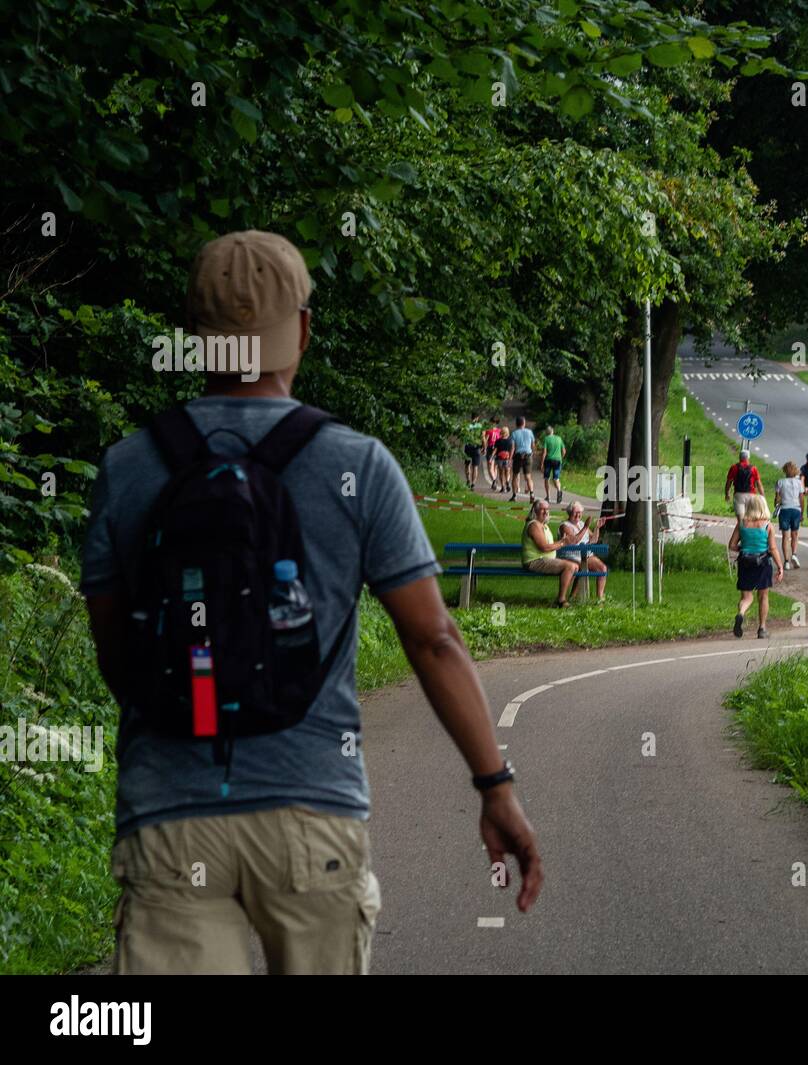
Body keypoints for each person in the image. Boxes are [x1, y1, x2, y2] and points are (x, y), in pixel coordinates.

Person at [80, 230, 541, 974]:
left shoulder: (129, 467)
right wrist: (495, 785)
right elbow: (434, 640)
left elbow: (118, 659)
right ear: (301, 329)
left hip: (168, 819)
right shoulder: (354, 463)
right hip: (311, 813)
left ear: (195, 338)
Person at [728, 493, 783, 639]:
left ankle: (741, 613)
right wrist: (780, 566)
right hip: (763, 563)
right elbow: (772, 548)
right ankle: (762, 628)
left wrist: (744, 548)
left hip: (745, 562)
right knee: (763, 596)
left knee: (746, 597)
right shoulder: (767, 526)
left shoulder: (742, 524)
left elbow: (732, 545)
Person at [521, 498, 582, 607]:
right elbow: (544, 547)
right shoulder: (534, 525)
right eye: (542, 509)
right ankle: (561, 600)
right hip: (534, 561)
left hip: (544, 559)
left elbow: (551, 544)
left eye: (547, 509)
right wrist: (562, 543)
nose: (546, 512)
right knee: (570, 567)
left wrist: (561, 542)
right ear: (535, 511)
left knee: (576, 566)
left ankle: (566, 597)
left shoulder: (543, 525)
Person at [558, 500, 608, 602]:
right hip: (571, 555)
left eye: (580, 512)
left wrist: (597, 528)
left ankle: (600, 598)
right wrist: (585, 527)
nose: (578, 515)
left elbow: (593, 540)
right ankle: (569, 597)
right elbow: (573, 540)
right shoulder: (565, 525)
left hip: (585, 555)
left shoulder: (581, 524)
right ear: (569, 512)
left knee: (602, 568)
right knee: (582, 568)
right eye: (575, 512)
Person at [774, 461, 804, 569]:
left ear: (785, 470)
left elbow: (777, 498)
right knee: (795, 534)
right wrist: (802, 512)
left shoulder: (780, 482)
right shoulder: (799, 483)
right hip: (796, 510)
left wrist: (776, 506)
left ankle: (786, 561)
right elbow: (801, 498)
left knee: (785, 536)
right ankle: (794, 554)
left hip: (785, 510)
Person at [724, 449, 763, 520]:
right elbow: (759, 484)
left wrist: (727, 494)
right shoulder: (753, 468)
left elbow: (728, 482)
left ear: (739, 457)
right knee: (750, 518)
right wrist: (762, 496)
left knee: (740, 520)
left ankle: (741, 529)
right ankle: (748, 530)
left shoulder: (734, 467)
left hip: (738, 495)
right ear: (748, 457)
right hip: (751, 495)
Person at [509, 415, 536, 502]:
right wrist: (532, 453)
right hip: (528, 454)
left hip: (518, 455)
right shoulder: (530, 432)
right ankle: (532, 494)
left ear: (516, 424)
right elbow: (533, 445)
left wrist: (510, 459)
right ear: (524, 423)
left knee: (515, 475)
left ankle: (514, 495)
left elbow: (513, 447)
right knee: (528, 476)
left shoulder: (514, 433)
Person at [540, 425, 566, 504]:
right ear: (553, 431)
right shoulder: (559, 438)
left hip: (548, 460)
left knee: (546, 478)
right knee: (556, 478)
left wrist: (541, 463)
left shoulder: (546, 439)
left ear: (546, 433)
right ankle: (559, 491)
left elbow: (544, 452)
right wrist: (560, 457)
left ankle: (548, 497)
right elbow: (564, 451)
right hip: (558, 460)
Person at [482, 418, 504, 490]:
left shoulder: (489, 431)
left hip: (491, 448)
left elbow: (486, 440)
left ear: (491, 422)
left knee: (490, 467)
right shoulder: (499, 431)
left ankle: (494, 480)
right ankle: (495, 479)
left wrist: (484, 448)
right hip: (498, 449)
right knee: (495, 466)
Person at [493, 427, 514, 494]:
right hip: (507, 458)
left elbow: (495, 450)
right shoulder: (511, 440)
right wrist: (510, 458)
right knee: (507, 472)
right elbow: (512, 450)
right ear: (507, 432)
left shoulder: (498, 441)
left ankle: (503, 487)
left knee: (501, 473)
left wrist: (491, 457)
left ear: (501, 432)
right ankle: (507, 481)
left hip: (499, 459)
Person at [462, 423, 483, 489]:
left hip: (468, 448)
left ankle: (468, 480)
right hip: (476, 448)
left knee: (467, 465)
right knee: (475, 467)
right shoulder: (480, 427)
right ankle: (473, 483)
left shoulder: (468, 426)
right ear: (477, 418)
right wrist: (484, 448)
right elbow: (483, 438)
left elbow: (463, 436)